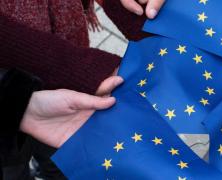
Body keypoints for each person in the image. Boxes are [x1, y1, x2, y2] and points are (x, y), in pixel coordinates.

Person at [0, 0, 165, 179]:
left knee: (60, 158)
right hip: (9, 101)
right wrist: (76, 69)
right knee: (13, 170)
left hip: (59, 103)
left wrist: (151, 23)